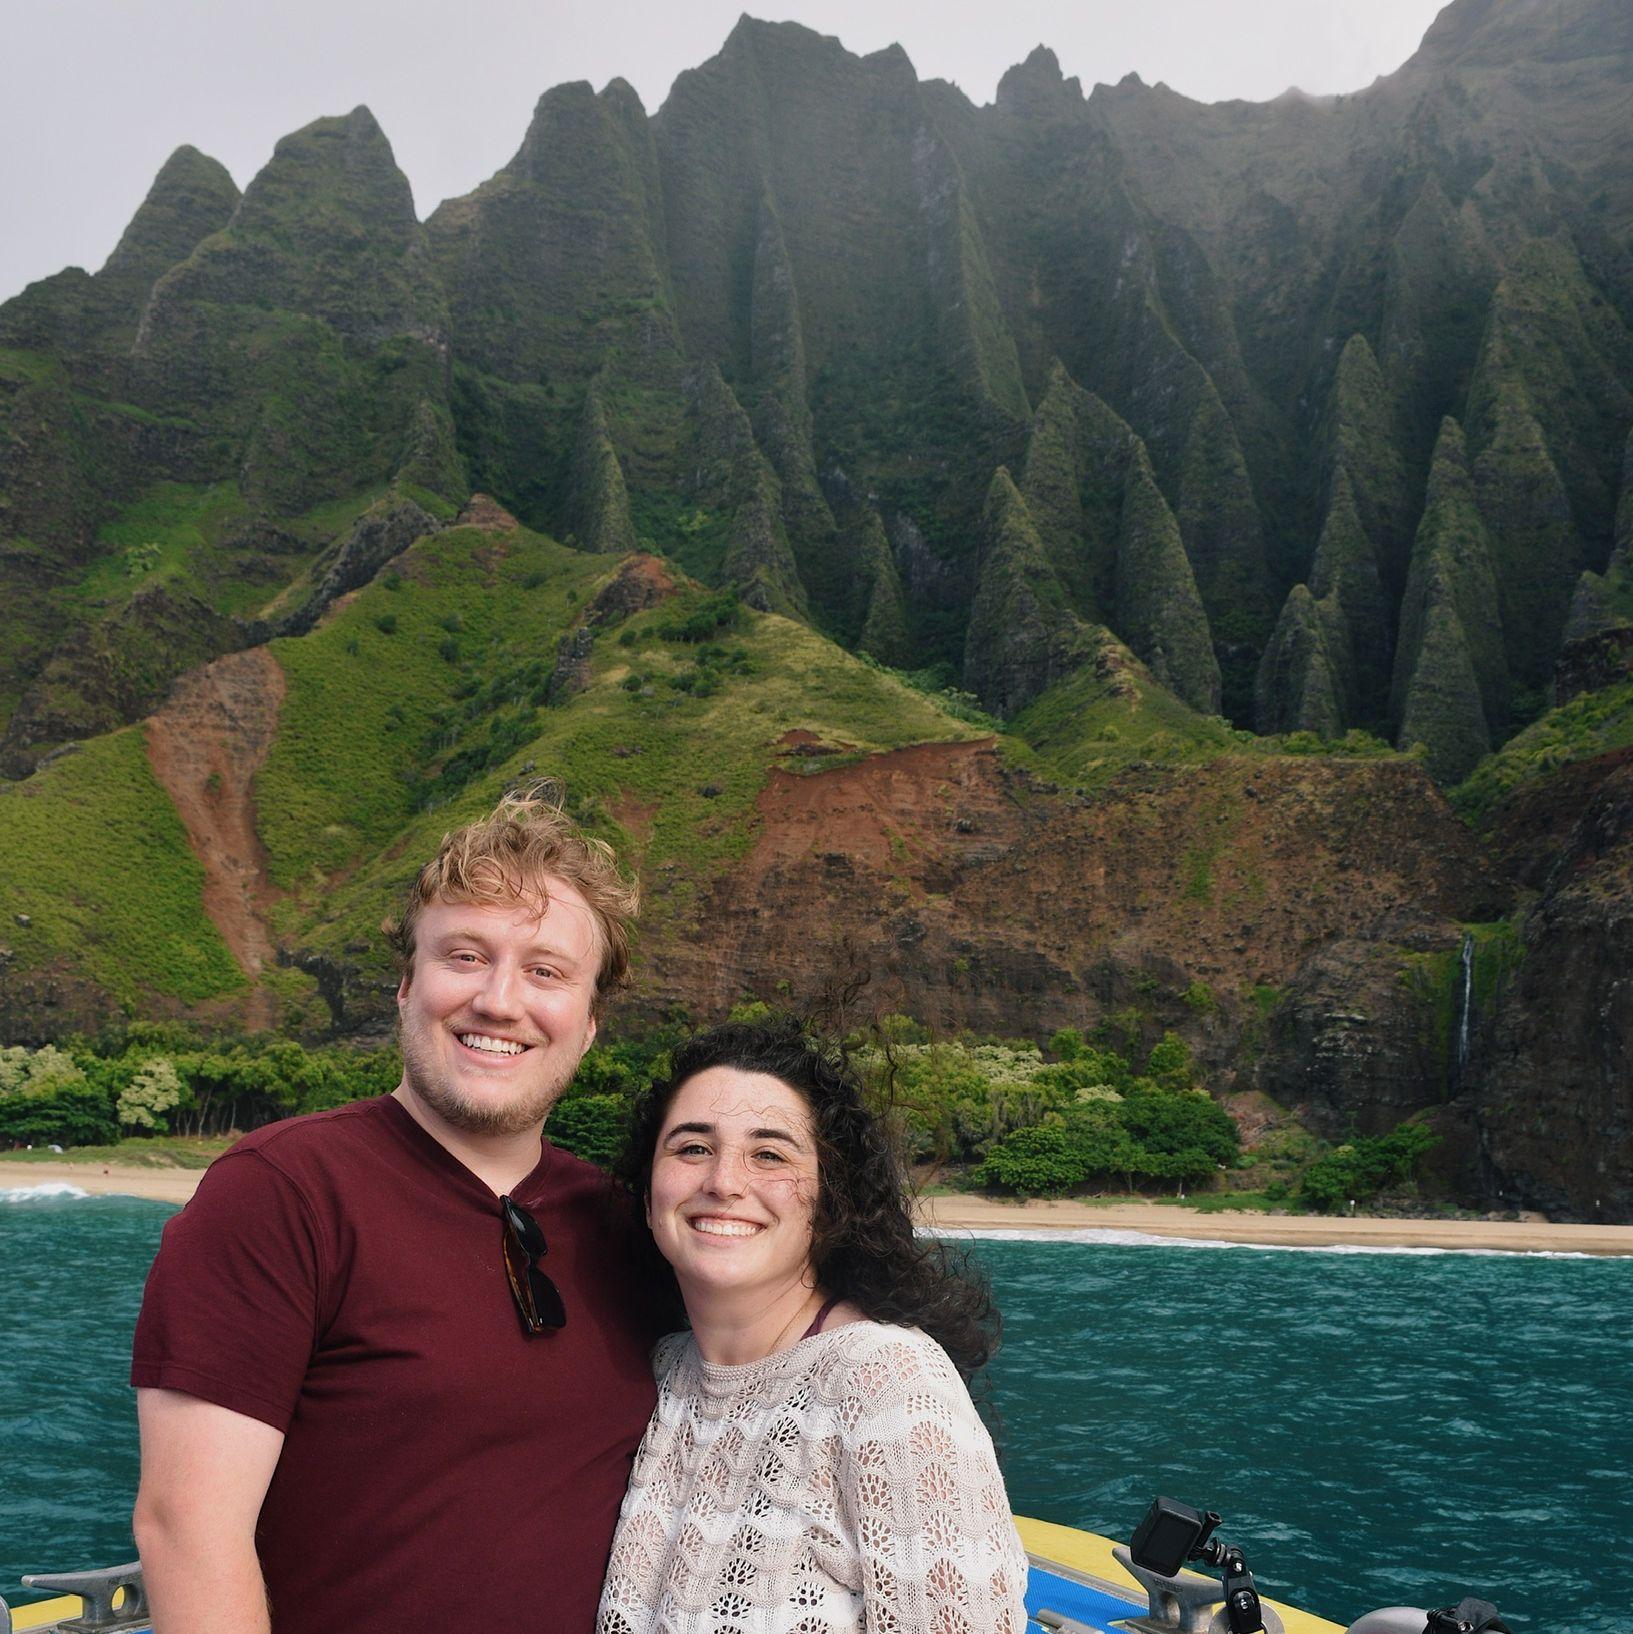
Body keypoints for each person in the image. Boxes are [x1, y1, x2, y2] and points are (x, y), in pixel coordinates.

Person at [131, 786, 666, 1634]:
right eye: (463, 956)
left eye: (545, 971)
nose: (498, 1000)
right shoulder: (281, 1192)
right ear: (405, 982)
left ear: (591, 1020)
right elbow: (186, 1528)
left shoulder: (625, 1227)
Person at [597, 1018, 1029, 1634]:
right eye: (693, 1147)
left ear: (829, 1200)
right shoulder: (665, 1370)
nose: (723, 1182)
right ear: (647, 1194)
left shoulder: (885, 1382)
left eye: (769, 1154)